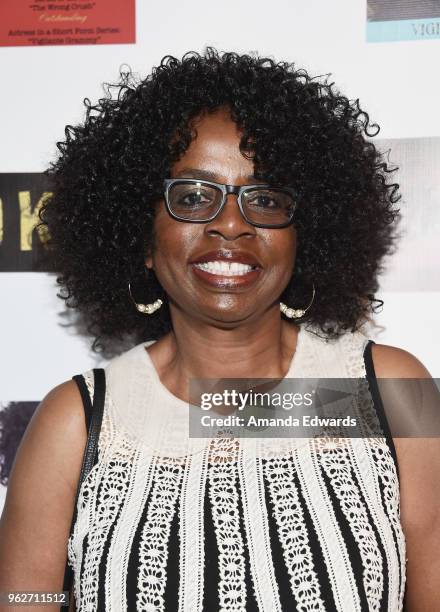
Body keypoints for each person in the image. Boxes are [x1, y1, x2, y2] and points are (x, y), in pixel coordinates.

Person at [0, 48, 439, 612]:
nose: (231, 224)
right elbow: (22, 598)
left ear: (304, 237)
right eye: (192, 197)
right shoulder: (77, 424)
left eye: (265, 198)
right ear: (140, 235)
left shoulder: (392, 392)